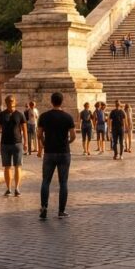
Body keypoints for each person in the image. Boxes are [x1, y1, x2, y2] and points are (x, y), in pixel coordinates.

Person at [37, 92, 76, 220]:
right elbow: (73, 135)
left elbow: (39, 134)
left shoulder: (44, 116)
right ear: (62, 101)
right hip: (64, 152)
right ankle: (61, 211)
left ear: (51, 101)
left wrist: (44, 143)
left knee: (46, 181)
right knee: (63, 182)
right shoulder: (68, 117)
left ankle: (44, 207)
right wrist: (67, 142)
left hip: (49, 152)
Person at [0, 96, 26, 196]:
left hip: (17, 143)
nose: (10, 103)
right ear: (6, 102)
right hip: (5, 143)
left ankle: (17, 188)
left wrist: (26, 142)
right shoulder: (1, 115)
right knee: (7, 167)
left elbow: (24, 129)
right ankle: (8, 188)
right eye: (8, 102)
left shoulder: (20, 114)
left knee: (18, 166)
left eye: (12, 101)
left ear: (15, 102)